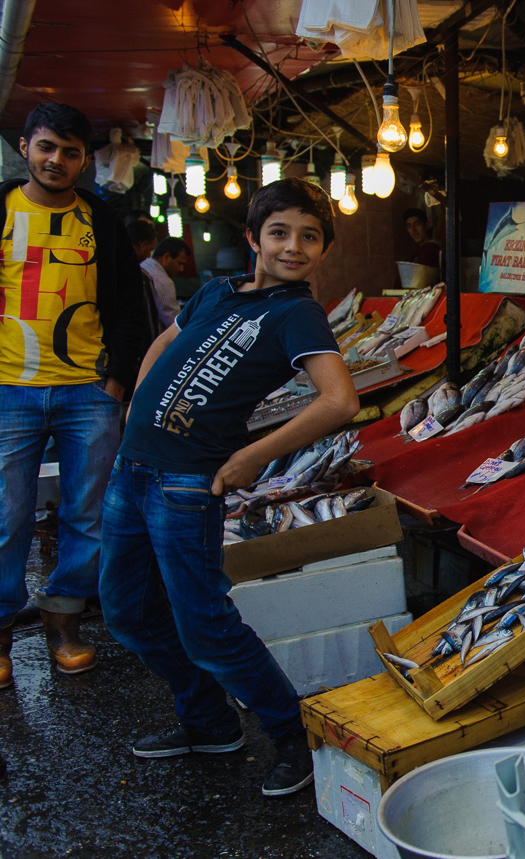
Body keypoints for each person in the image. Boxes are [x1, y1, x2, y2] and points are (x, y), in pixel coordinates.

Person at [99, 178, 359, 797]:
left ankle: (292, 736)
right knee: (127, 612)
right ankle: (209, 721)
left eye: (309, 236)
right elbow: (167, 340)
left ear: (322, 249)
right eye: (280, 232)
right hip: (132, 470)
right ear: (253, 237)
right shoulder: (217, 292)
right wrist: (137, 404)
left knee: (205, 626)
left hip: (188, 486)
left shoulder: (298, 314)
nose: (293, 246)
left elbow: (340, 400)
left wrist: (249, 457)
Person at [0, 102, 149, 686]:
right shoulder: (3, 209)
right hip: (9, 389)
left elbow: (130, 309)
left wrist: (115, 379)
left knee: (88, 517)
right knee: (6, 518)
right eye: (45, 147)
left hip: (87, 391)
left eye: (68, 152)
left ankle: (64, 623)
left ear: (84, 161)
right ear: (25, 149)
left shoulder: (101, 220)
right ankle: (4, 636)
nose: (55, 160)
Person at [127, 219, 164, 342]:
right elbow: (150, 321)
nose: (149, 256)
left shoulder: (103, 270)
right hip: (136, 350)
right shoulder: (142, 278)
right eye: (150, 249)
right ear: (142, 245)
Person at [141, 236, 187, 330]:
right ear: (166, 257)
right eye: (179, 263)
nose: (181, 269)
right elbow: (174, 324)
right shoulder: (164, 282)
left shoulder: (144, 265)